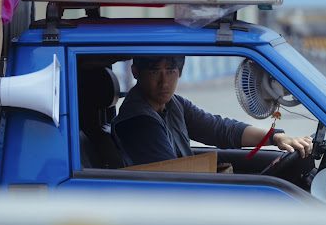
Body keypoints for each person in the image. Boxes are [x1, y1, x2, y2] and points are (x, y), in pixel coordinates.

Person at [112, 55, 313, 167]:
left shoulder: (173, 104)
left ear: (180, 72)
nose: (164, 82)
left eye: (171, 71)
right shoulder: (138, 121)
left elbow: (219, 129)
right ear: (136, 72)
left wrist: (276, 137)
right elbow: (171, 178)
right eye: (154, 71)